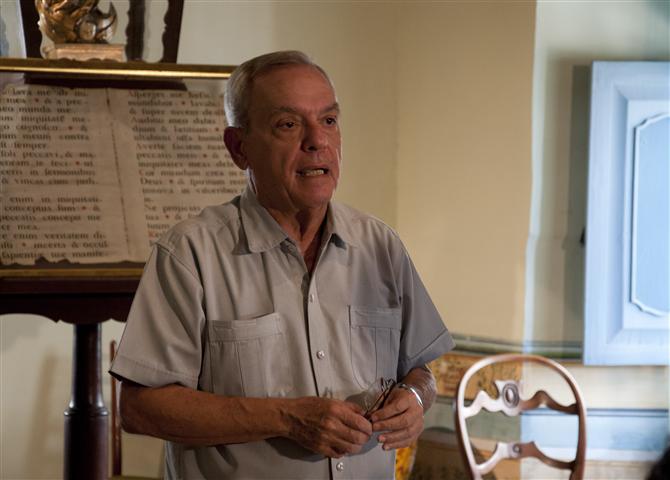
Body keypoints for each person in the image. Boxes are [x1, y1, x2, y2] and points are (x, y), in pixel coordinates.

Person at [110, 50, 454, 479]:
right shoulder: (190, 254)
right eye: (288, 125)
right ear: (239, 148)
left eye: (328, 120)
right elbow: (141, 409)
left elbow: (419, 369)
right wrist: (286, 418)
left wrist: (416, 398)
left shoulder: (380, 245)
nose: (317, 140)